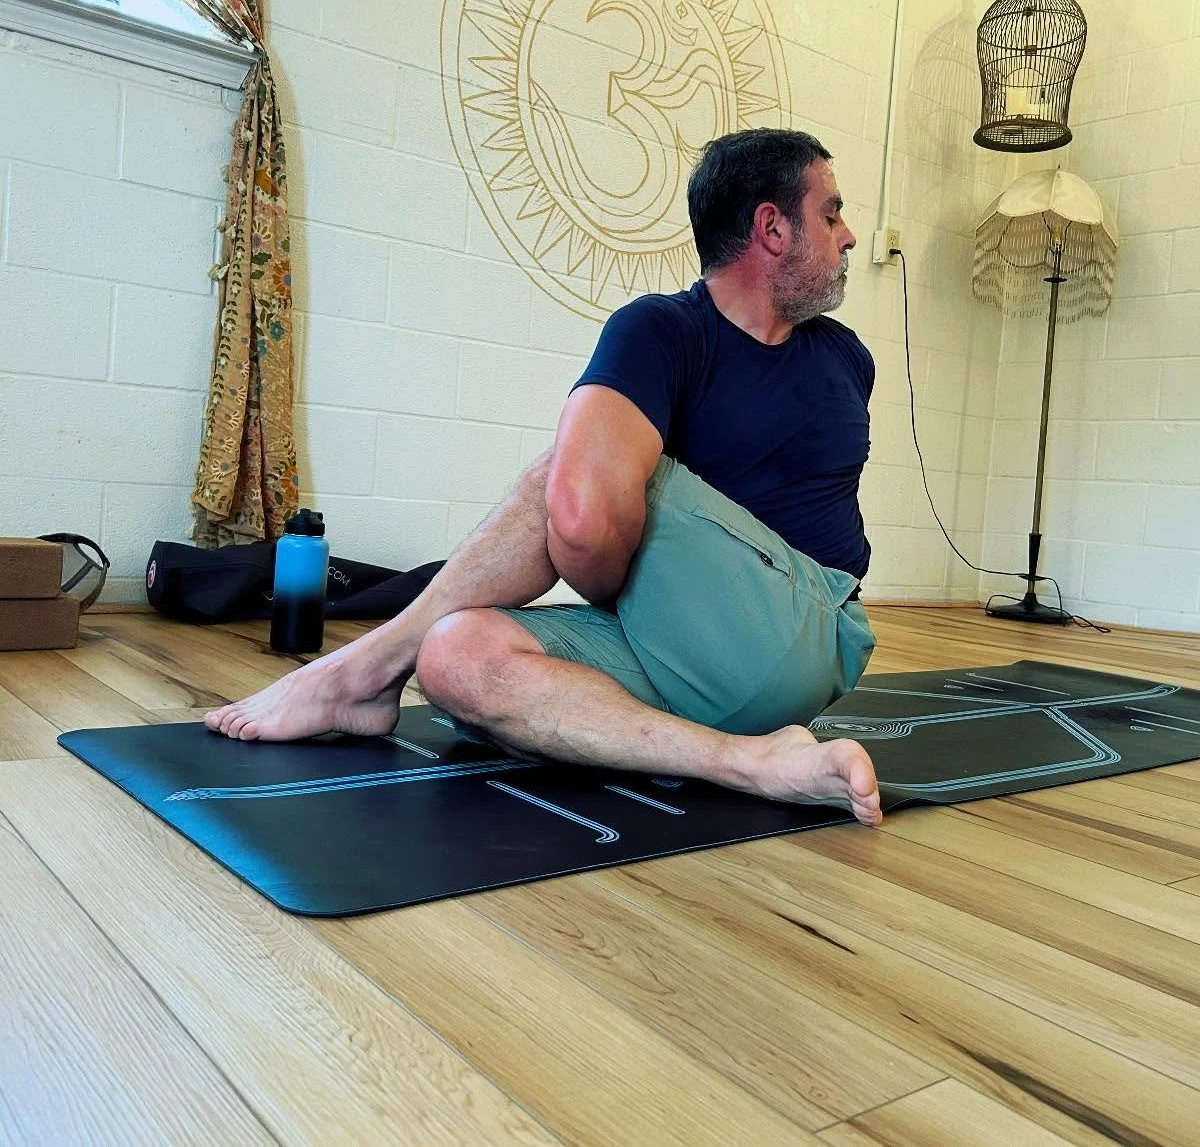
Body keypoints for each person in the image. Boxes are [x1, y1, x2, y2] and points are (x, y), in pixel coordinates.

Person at [205, 128, 883, 825]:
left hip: (802, 627)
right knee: (454, 657)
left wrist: (610, 566)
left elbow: (582, 519)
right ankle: (750, 760)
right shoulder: (672, 332)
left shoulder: (840, 359)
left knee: (566, 470)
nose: (850, 235)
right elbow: (599, 523)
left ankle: (367, 666)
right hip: (698, 650)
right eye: (831, 213)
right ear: (771, 228)